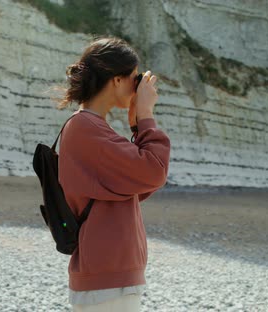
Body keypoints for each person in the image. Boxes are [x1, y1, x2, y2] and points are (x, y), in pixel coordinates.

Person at [53, 36, 171, 311]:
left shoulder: (92, 127)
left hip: (109, 277)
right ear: (117, 80)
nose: (136, 86)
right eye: (134, 78)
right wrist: (145, 113)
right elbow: (153, 171)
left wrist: (137, 127)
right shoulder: (85, 127)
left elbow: (140, 184)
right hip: (106, 280)